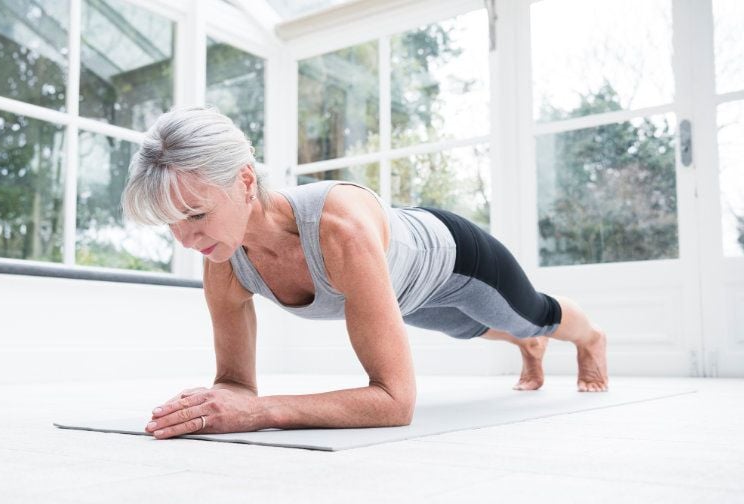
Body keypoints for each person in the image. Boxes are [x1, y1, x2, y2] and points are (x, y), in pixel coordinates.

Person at [122, 107, 608, 440]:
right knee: (474, 329)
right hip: (405, 290)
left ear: (246, 181)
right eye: (171, 224)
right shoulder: (223, 260)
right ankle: (526, 348)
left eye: (196, 215)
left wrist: (264, 411)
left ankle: (589, 340)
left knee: (533, 316)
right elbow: (234, 383)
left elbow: (396, 402)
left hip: (455, 259)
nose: (185, 240)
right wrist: (216, 402)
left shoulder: (340, 230)